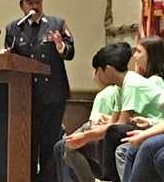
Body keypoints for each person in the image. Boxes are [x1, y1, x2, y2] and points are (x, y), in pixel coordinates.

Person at [64, 41, 164, 182]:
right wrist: (94, 129)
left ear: (108, 70)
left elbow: (119, 125)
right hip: (146, 123)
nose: (95, 75)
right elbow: (115, 121)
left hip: (156, 124)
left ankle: (108, 179)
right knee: (66, 146)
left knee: (115, 136)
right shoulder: (119, 87)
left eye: (98, 70)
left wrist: (86, 136)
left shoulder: (132, 83)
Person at [4, 0, 75, 181]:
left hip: (53, 94)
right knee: (28, 142)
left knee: (49, 142)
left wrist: (61, 46)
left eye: (38, 1)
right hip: (25, 95)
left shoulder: (57, 23)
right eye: (30, 2)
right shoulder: (14, 28)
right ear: (22, 5)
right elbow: (11, 57)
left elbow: (70, 52)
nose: (35, 5)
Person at [114, 35, 164, 181]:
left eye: (139, 51)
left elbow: (122, 120)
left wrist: (146, 132)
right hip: (156, 126)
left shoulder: (155, 80)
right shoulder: (142, 79)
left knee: (135, 147)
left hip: (156, 130)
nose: (134, 55)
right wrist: (149, 123)